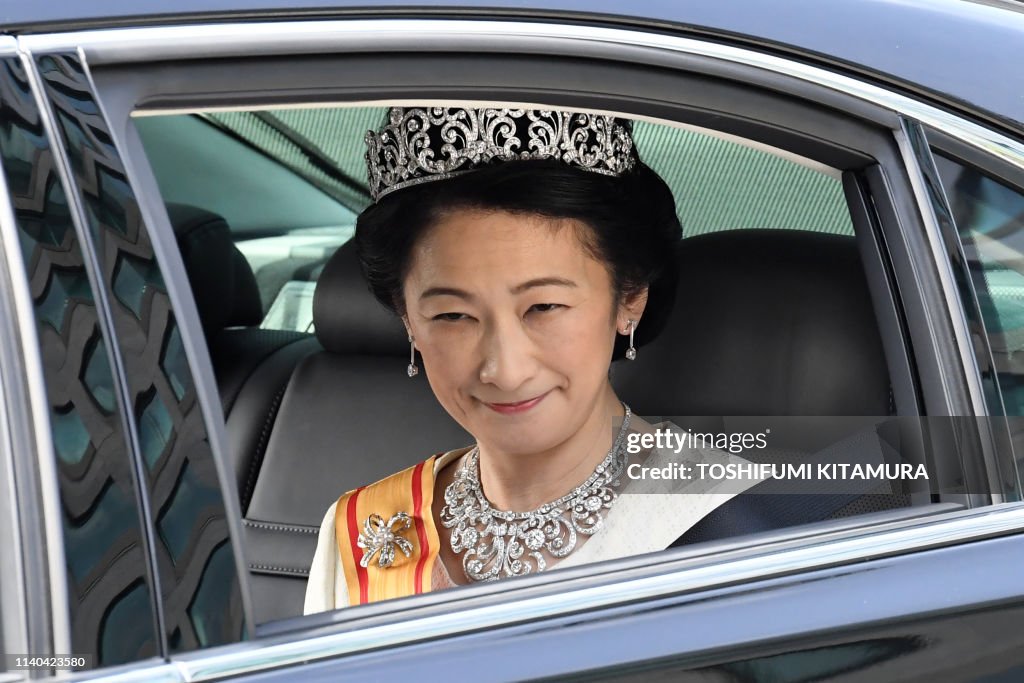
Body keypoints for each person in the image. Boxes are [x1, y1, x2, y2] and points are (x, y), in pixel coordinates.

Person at [304, 106, 760, 613]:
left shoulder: (737, 527)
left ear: (629, 298)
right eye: (453, 315)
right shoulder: (361, 532)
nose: (504, 369)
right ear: (407, 318)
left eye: (544, 307)